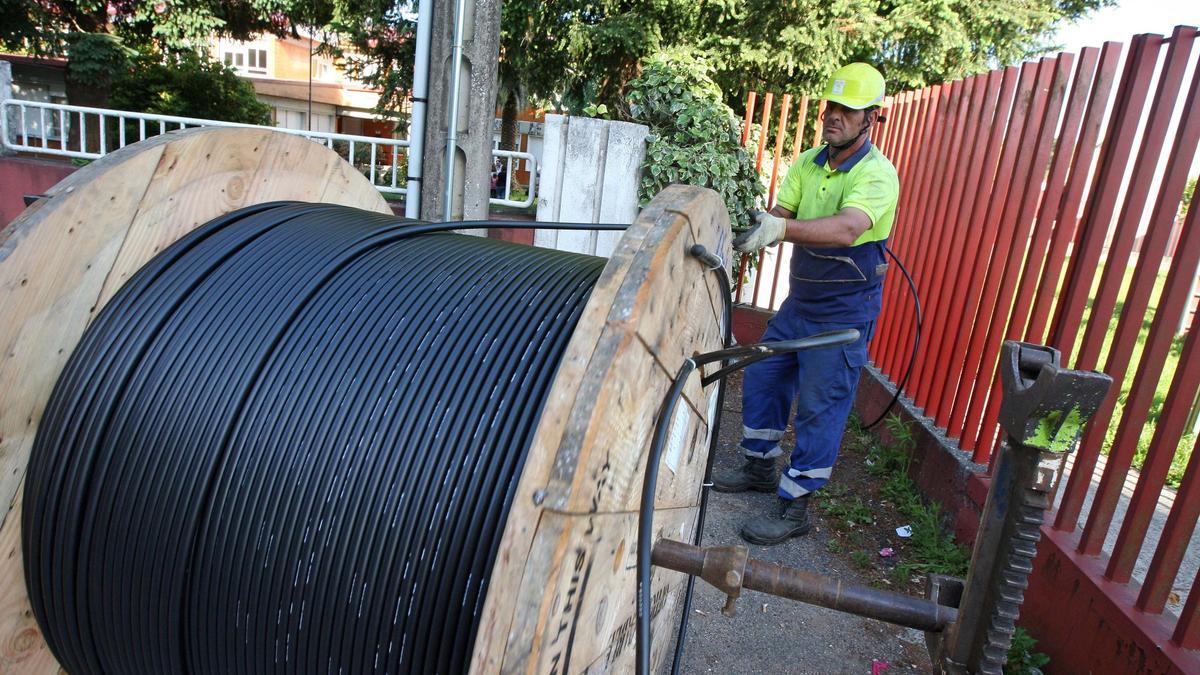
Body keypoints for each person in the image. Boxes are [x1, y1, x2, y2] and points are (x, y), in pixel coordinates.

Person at [712, 63, 900, 545]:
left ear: (870, 118)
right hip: (800, 304)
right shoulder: (808, 163)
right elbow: (782, 214)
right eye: (830, 107)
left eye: (847, 110)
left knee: (820, 407)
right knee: (763, 377)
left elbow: (846, 229)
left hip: (844, 313)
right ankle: (759, 468)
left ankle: (795, 506)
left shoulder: (877, 175)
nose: (833, 116)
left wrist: (782, 229)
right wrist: (758, 227)